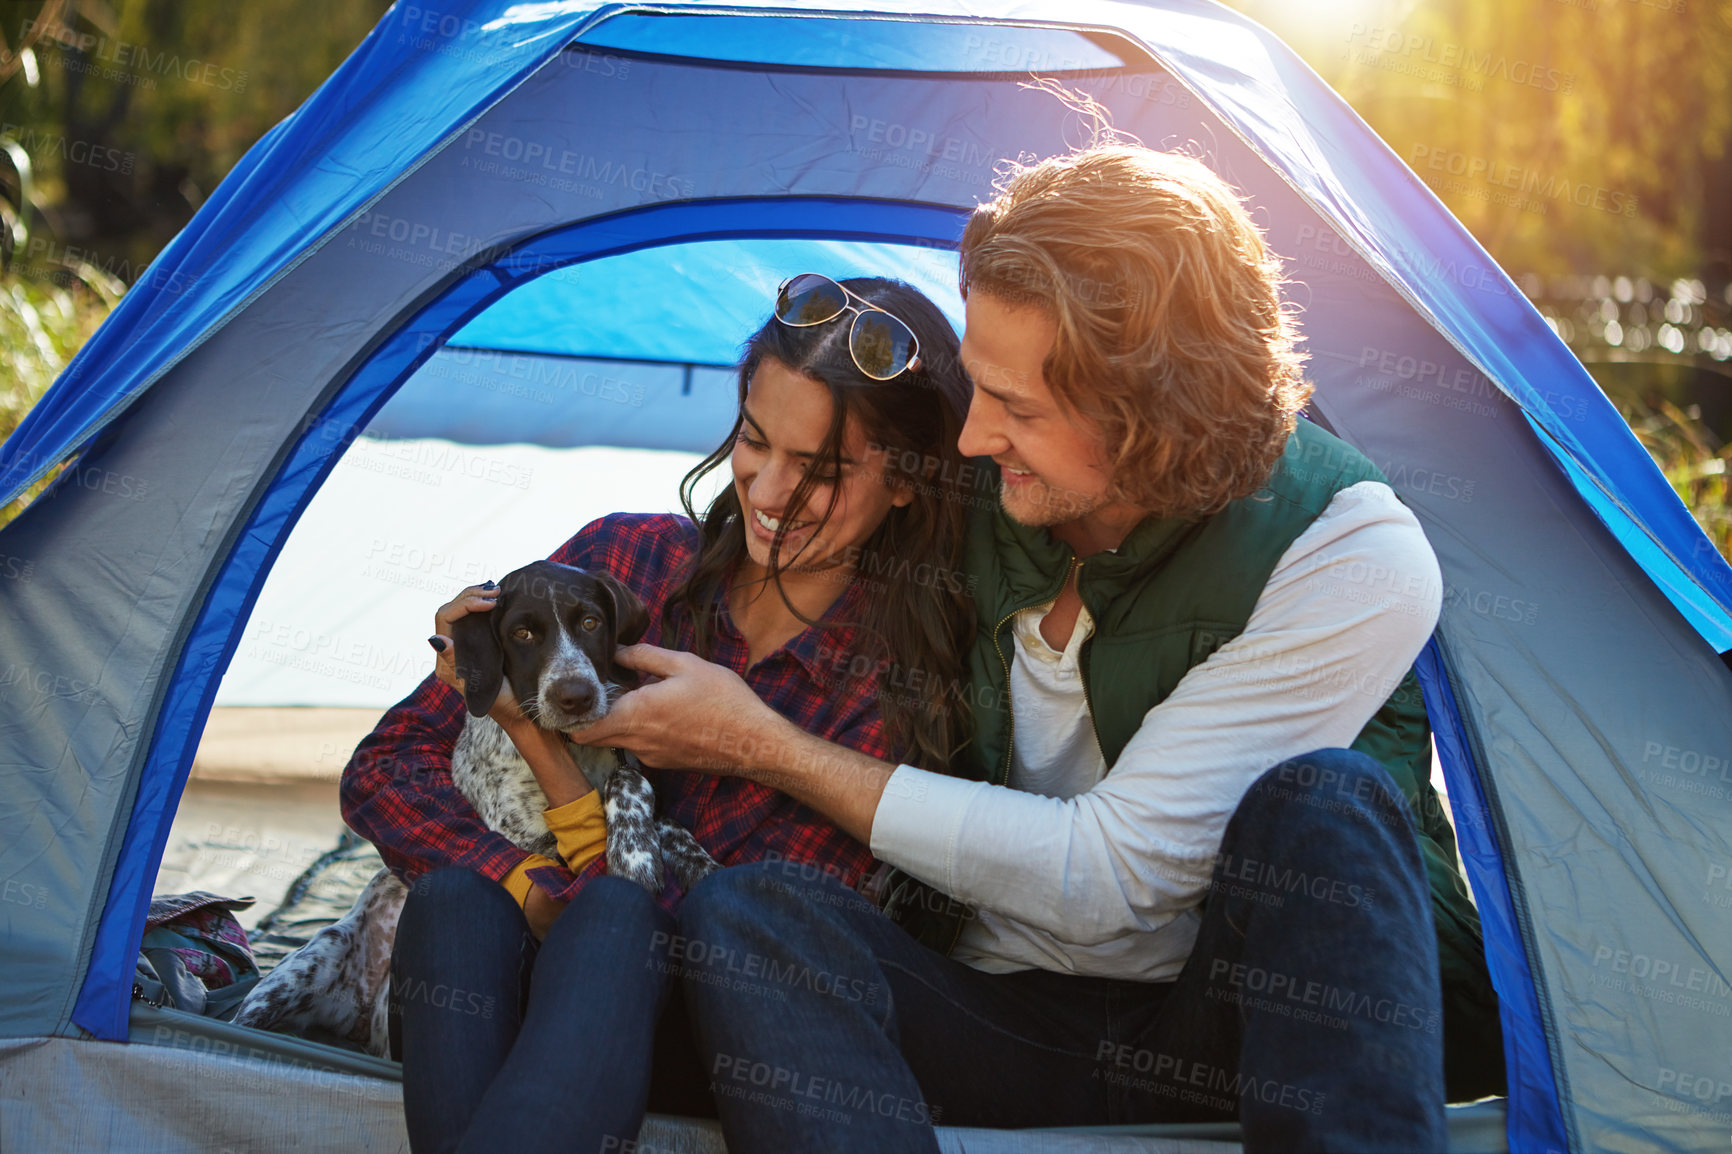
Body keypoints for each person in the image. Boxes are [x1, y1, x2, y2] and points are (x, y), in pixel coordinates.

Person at [571, 146, 1504, 1152]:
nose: (971, 437)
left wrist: (765, 745)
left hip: (1236, 1022)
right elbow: (777, 516)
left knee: (1327, 802)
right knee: (749, 912)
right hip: (994, 1014)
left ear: (1153, 416)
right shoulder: (967, 487)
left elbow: (1109, 876)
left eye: (1016, 407)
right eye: (977, 387)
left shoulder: (1349, 544)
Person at [338, 274, 976, 1154]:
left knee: (615, 923)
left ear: (907, 482)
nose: (771, 489)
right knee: (452, 900)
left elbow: (751, 941)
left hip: (684, 1025)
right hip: (502, 969)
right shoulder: (625, 560)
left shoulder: (890, 685)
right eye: (755, 440)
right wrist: (518, 880)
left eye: (820, 471)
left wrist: (741, 743)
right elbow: (385, 768)